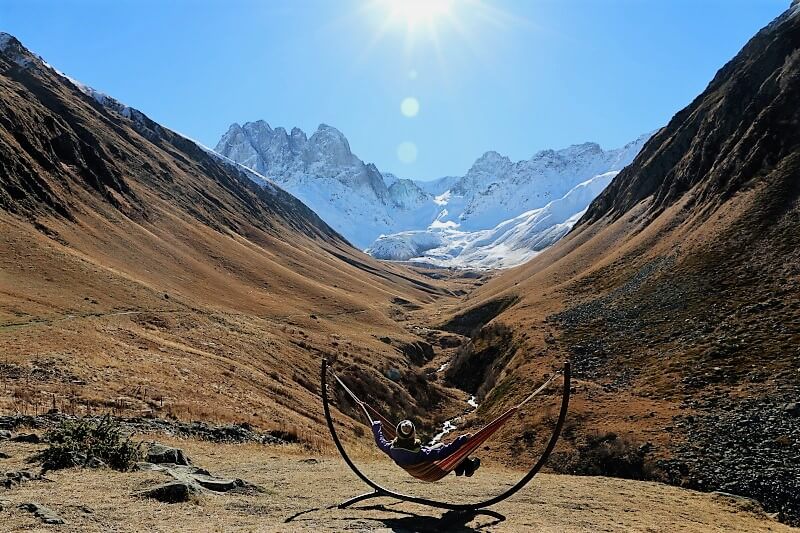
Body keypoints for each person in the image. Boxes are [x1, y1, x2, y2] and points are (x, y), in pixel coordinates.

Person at [371, 418, 481, 477]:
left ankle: (461, 468)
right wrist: (462, 439)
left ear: (397, 434)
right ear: (413, 434)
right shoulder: (420, 452)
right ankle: (467, 466)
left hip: (417, 471)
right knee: (442, 446)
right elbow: (443, 453)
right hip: (428, 471)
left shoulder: (391, 448)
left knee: (441, 447)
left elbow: (380, 441)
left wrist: (376, 427)